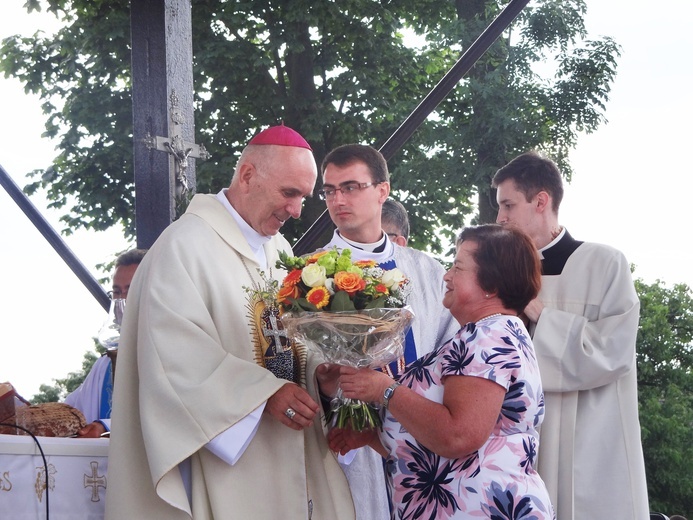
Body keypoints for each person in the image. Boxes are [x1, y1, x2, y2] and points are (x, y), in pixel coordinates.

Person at [105, 125, 354, 520]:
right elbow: (173, 358)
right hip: (225, 462)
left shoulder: (280, 251)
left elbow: (285, 347)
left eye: (303, 198)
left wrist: (320, 380)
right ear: (248, 175)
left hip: (287, 452)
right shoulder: (184, 247)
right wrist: (264, 395)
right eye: (289, 193)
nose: (296, 210)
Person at [329, 224, 555, 519]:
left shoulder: (488, 336)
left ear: (491, 285)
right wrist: (374, 437)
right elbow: (440, 453)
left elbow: (458, 436)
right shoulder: (490, 332)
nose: (446, 275)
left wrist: (385, 390)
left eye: (458, 268)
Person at [492, 150, 649, 519]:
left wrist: (541, 315)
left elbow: (613, 353)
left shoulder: (605, 264)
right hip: (516, 444)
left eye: (508, 205)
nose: (500, 218)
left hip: (590, 441)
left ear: (541, 201)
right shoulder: (497, 273)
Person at [319, 144, 458, 519]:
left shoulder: (428, 271)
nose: (338, 199)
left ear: (382, 190)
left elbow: (454, 351)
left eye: (350, 187)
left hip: (421, 435)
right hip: (349, 443)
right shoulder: (309, 275)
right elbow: (291, 363)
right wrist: (323, 383)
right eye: (329, 190)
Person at [65, 248, 147, 438]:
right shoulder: (105, 365)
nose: (122, 300)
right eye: (117, 292)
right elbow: (71, 413)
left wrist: (105, 426)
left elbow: (170, 418)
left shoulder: (171, 353)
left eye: (131, 290)